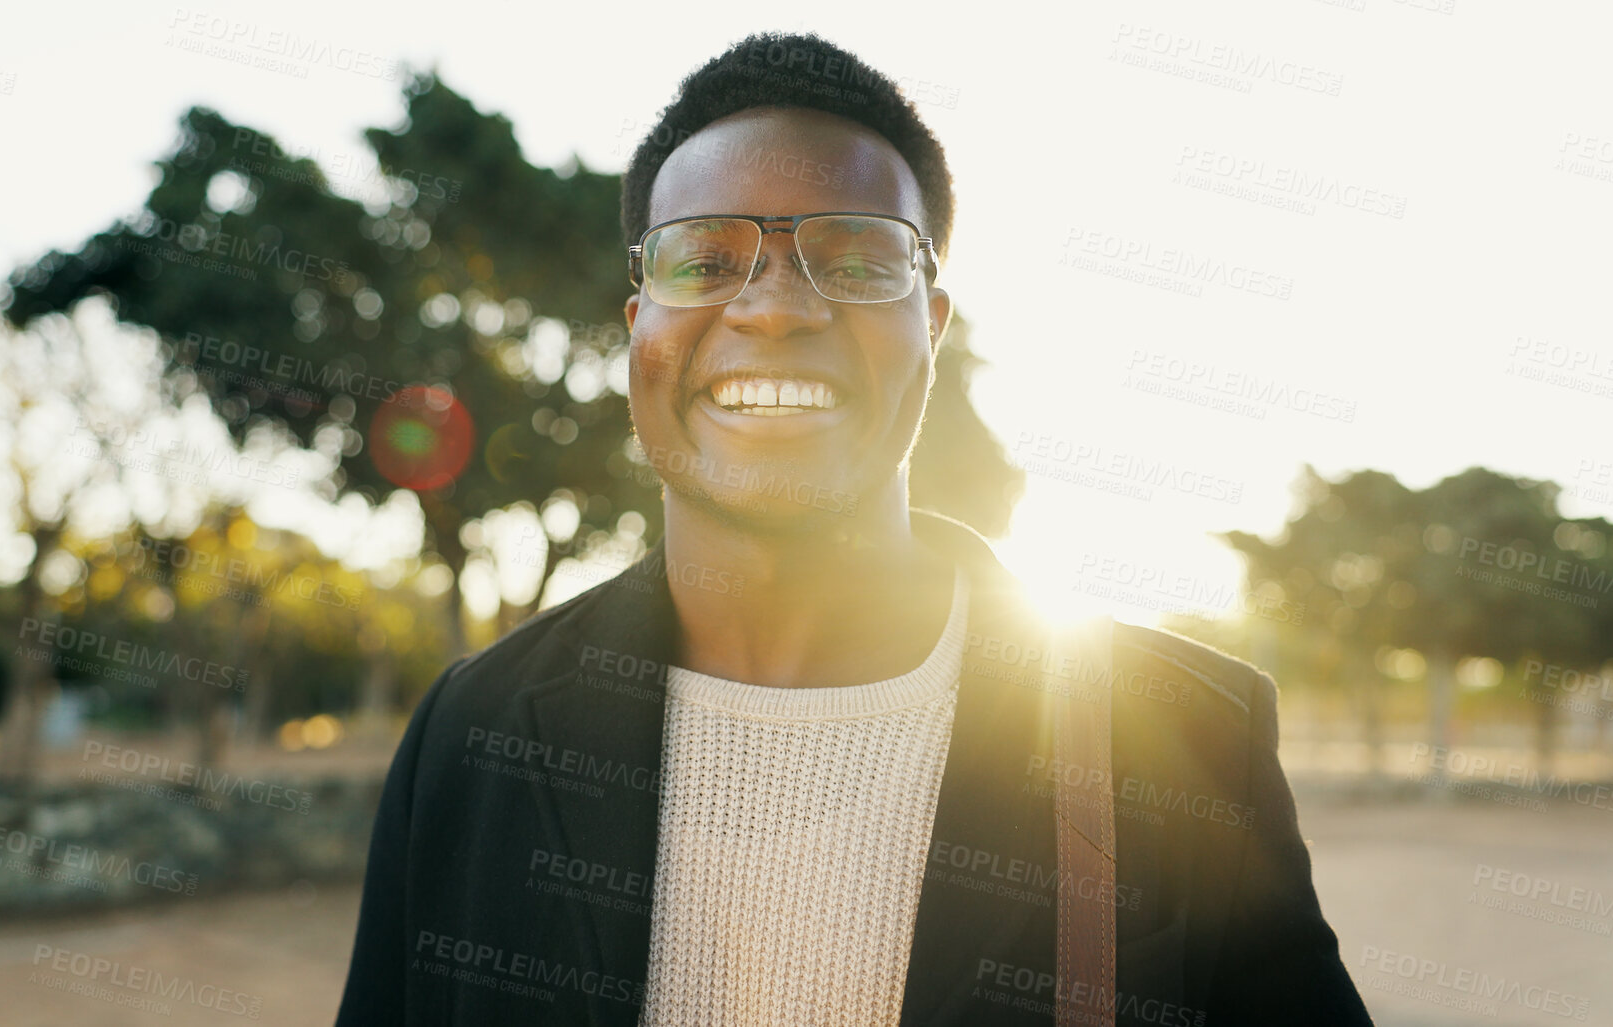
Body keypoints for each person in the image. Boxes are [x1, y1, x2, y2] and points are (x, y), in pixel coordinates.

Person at [336, 31, 1373, 1027]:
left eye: (860, 257)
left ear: (932, 321)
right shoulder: (472, 735)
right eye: (702, 260)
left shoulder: (1185, 740)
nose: (776, 307)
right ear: (636, 328)